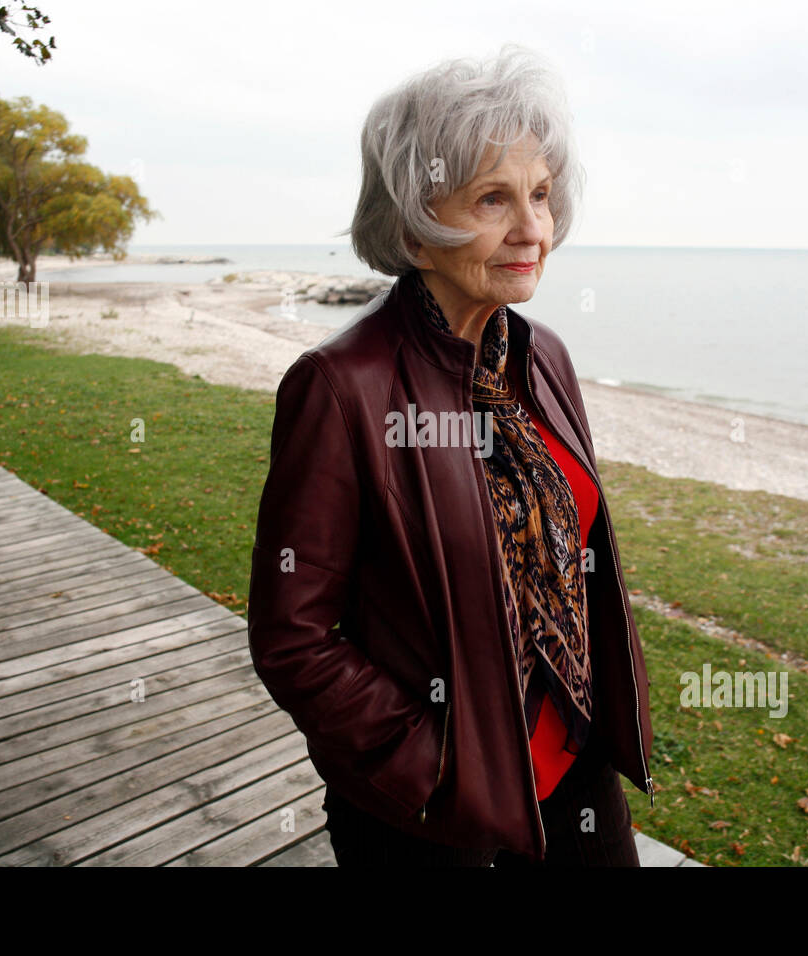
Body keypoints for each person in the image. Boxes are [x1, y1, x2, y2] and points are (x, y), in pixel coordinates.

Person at [247, 43, 654, 867]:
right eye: (493, 199)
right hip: (438, 819)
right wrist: (431, 766)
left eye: (540, 195)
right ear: (415, 228)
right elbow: (294, 635)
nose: (533, 229)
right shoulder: (340, 387)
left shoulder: (544, 358)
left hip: (578, 774)